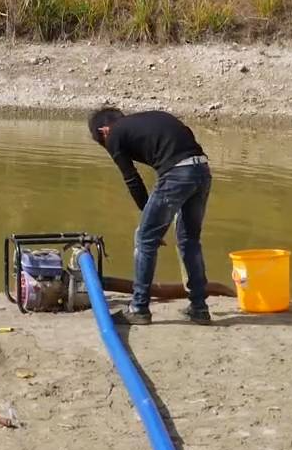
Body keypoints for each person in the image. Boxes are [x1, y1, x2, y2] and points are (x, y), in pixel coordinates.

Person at [89, 106, 212, 325]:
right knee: (189, 240)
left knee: (144, 239)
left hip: (177, 174)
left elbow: (132, 179)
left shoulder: (115, 134)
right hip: (201, 169)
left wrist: (149, 220)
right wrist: (153, 220)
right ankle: (199, 308)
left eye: (101, 141)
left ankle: (139, 308)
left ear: (104, 130)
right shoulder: (150, 119)